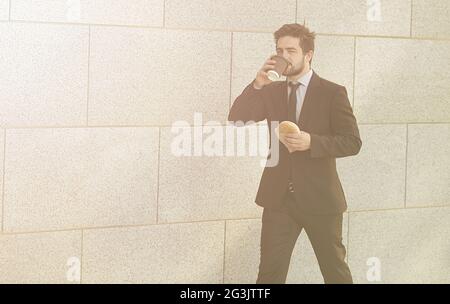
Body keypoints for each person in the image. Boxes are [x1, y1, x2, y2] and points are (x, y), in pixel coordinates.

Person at [228, 23, 362, 284]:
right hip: (279, 200)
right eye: (279, 50)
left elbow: (352, 142)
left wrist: (312, 142)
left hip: (321, 199)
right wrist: (257, 83)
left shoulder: (332, 93)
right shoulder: (270, 90)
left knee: (335, 272)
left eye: (291, 50)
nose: (284, 56)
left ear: (308, 54)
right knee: (269, 275)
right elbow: (237, 119)